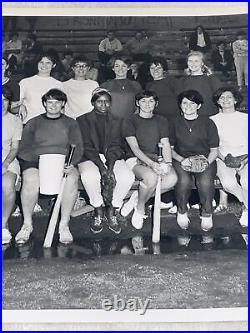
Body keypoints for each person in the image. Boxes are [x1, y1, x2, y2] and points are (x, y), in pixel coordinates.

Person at [16, 89, 83, 245]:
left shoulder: (71, 123)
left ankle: (64, 225)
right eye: (50, 102)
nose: (53, 105)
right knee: (30, 178)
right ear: (44, 104)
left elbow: (78, 147)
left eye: (57, 102)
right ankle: (27, 224)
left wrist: (71, 163)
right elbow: (24, 149)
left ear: (63, 104)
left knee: (72, 179)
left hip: (62, 161)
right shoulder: (33, 122)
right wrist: (41, 162)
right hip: (36, 161)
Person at [77, 88, 135, 235]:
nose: (103, 105)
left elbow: (116, 145)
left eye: (107, 101)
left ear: (110, 103)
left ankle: (112, 209)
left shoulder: (117, 120)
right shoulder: (82, 120)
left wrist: (110, 167)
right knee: (90, 176)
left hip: (112, 157)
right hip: (90, 157)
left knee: (127, 177)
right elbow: (86, 147)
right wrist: (101, 167)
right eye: (99, 101)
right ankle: (98, 210)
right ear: (93, 102)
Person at [122, 90, 177, 229]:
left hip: (156, 158)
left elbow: (165, 143)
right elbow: (135, 149)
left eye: (151, 101)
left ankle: (137, 196)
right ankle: (140, 208)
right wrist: (152, 164)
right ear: (137, 103)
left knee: (172, 179)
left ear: (156, 103)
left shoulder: (162, 120)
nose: (147, 104)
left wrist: (168, 163)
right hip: (135, 158)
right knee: (151, 178)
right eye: (143, 101)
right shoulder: (129, 120)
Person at [169, 90, 219, 231]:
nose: (188, 106)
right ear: (180, 105)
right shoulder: (173, 122)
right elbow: (170, 149)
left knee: (204, 181)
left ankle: (207, 213)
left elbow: (214, 150)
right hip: (181, 158)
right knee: (184, 181)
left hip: (205, 158)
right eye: (185, 103)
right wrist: (182, 160)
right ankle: (182, 211)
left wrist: (206, 162)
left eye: (193, 103)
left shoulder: (208, 122)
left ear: (199, 105)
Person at [211, 87, 248, 227]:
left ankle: (246, 210)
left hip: (245, 157)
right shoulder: (212, 120)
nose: (225, 100)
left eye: (229, 97)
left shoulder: (246, 118)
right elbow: (213, 146)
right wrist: (223, 158)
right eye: (222, 98)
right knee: (228, 183)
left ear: (236, 100)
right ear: (218, 102)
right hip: (222, 157)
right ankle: (247, 206)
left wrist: (244, 161)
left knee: (246, 181)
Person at [2, 86, 23, 245]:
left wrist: (6, 163)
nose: (1, 104)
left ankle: (3, 224)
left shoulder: (15, 121)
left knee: (7, 185)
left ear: (9, 102)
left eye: (5, 100)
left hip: (8, 158)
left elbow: (15, 148)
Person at [19, 52, 63, 124]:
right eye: (41, 62)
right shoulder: (25, 82)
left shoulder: (59, 84)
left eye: (48, 63)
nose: (44, 65)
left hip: (51, 123)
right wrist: (21, 106)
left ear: (54, 65)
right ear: (37, 64)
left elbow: (61, 108)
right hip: (29, 122)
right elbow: (16, 104)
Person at [177, 51, 222, 116]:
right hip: (190, 116)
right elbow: (180, 101)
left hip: (209, 115)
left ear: (202, 63)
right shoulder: (182, 81)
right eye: (190, 61)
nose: (193, 64)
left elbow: (219, 98)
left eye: (196, 61)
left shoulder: (212, 79)